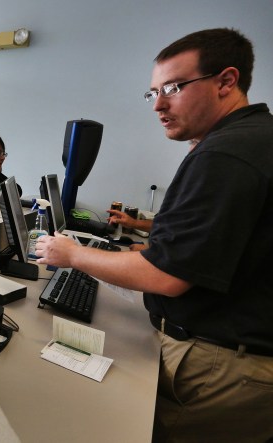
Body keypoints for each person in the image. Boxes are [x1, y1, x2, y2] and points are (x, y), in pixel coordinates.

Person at [36, 28, 273, 441]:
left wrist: (71, 255)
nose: (159, 104)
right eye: (153, 93)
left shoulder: (227, 152)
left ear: (226, 81)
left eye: (174, 88)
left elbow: (165, 275)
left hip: (218, 365)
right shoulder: (250, 139)